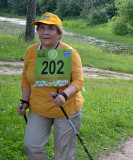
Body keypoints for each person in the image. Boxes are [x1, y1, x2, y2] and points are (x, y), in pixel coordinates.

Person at [17, 12, 84, 160]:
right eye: (41, 28)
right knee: (32, 146)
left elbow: (78, 82)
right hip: (39, 108)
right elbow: (26, 79)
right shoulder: (31, 51)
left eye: (51, 28)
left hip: (66, 107)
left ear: (59, 34)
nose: (45, 32)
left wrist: (64, 95)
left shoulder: (70, 53)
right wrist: (25, 101)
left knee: (63, 153)